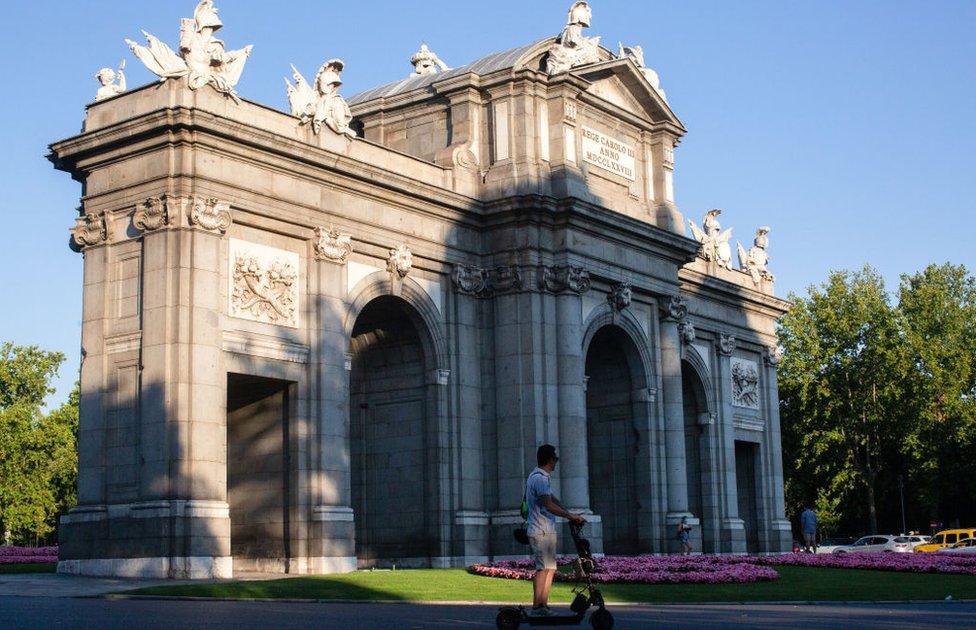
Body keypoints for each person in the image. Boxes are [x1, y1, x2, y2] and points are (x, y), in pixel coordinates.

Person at [525, 444, 586, 617]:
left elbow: (551, 498)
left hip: (545, 529)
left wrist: (568, 512)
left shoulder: (536, 476)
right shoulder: (540, 478)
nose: (556, 462)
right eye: (555, 459)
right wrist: (570, 517)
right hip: (540, 529)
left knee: (550, 569)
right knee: (543, 568)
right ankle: (538, 607)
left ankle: (543, 605)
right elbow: (548, 504)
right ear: (550, 459)